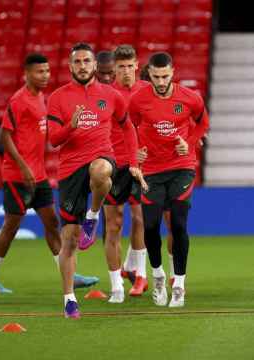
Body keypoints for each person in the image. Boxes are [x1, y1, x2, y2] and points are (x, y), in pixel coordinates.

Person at [0, 53, 98, 294]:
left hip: (39, 175)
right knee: (11, 226)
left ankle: (70, 275)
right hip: (17, 176)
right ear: (26, 74)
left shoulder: (43, 97)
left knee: (52, 223)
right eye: (39, 72)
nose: (45, 76)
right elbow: (4, 135)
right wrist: (22, 166)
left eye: (47, 71)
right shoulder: (19, 100)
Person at [47, 43, 146, 318]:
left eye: (86, 61)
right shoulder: (58, 97)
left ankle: (93, 214)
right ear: (70, 67)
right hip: (69, 170)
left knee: (102, 171)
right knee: (69, 239)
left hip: (101, 157)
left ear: (95, 65)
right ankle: (69, 299)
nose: (82, 65)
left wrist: (135, 164)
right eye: (77, 61)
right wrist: (71, 126)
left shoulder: (111, 96)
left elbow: (128, 128)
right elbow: (53, 140)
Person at [129, 52, 209, 307]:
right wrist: (136, 150)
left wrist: (191, 143)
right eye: (156, 76)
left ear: (173, 72)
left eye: (165, 76)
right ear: (148, 74)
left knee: (178, 225)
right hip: (151, 170)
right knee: (150, 227)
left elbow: (202, 122)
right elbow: (128, 128)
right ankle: (158, 276)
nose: (161, 81)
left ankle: (180, 286)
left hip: (181, 168)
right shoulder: (138, 100)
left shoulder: (190, 98)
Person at [101, 44, 150, 303]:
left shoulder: (147, 90)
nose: (126, 71)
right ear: (114, 69)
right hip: (114, 164)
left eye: (130, 66)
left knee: (141, 217)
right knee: (115, 224)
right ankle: (117, 281)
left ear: (137, 66)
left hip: (141, 164)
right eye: (121, 67)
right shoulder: (107, 95)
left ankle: (140, 274)